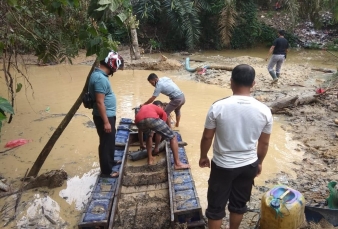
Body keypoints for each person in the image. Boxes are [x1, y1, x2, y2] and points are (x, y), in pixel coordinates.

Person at [199, 64, 273, 229]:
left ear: (231, 82)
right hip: (248, 165)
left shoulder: (218, 107)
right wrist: (259, 162)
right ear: (253, 84)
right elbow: (264, 142)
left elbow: (207, 136)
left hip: (223, 165)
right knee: (239, 204)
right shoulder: (264, 111)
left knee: (216, 208)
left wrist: (203, 156)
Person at [89, 51, 124, 178]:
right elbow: (99, 102)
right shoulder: (100, 79)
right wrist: (106, 122)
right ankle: (106, 172)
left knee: (108, 142)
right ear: (112, 64)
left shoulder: (98, 75)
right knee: (105, 143)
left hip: (106, 115)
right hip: (104, 116)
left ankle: (110, 161)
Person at [135, 100, 190, 170]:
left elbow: (141, 130)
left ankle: (150, 159)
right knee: (173, 137)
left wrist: (142, 144)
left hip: (138, 121)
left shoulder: (145, 106)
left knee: (149, 136)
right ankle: (178, 164)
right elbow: (159, 132)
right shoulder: (161, 110)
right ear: (160, 106)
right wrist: (156, 147)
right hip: (151, 119)